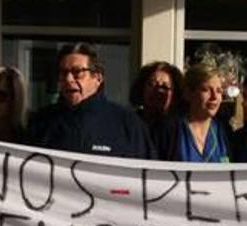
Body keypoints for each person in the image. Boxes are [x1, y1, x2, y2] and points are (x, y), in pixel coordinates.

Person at [27, 42, 155, 159]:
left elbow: (148, 175)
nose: (68, 79)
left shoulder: (128, 124)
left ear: (98, 78)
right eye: (63, 72)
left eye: (77, 72)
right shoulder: (42, 122)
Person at [152, 63, 231, 162]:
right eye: (206, 90)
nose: (214, 97)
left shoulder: (224, 131)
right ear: (188, 93)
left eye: (219, 91)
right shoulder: (170, 129)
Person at [129, 61, 184, 132]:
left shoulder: (179, 130)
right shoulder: (130, 122)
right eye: (152, 84)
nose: (158, 90)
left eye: (165, 87)